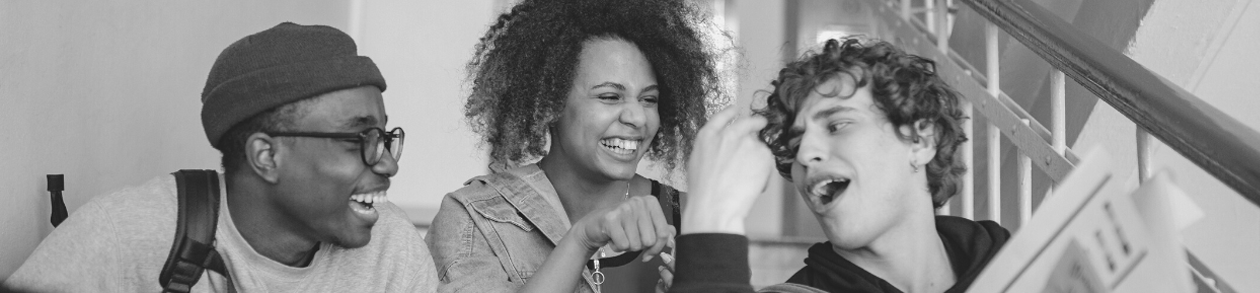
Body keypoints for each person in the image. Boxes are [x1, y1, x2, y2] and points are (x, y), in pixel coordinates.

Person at [5, 23, 437, 292]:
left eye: (383, 136)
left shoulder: (392, 250)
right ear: (266, 156)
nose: (387, 163)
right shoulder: (125, 235)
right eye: (359, 137)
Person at [424, 0, 726, 292]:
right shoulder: (474, 217)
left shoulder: (693, 220)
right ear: (549, 103)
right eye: (610, 96)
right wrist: (581, 240)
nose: (637, 117)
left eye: (649, 99)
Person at [670, 38, 1010, 293]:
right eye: (796, 142)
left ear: (921, 141)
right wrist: (710, 225)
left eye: (837, 125)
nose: (804, 155)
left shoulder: (1021, 267)